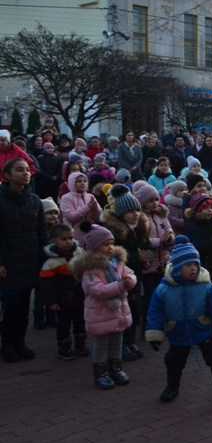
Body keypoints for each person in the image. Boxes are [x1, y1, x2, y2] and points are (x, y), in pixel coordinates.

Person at [146, 236, 212, 404]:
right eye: (188, 265)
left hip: (203, 329)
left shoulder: (205, 285)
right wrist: (155, 333)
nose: (193, 269)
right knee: (174, 362)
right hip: (177, 331)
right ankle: (172, 386)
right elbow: (155, 312)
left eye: (195, 264)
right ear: (179, 267)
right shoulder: (164, 289)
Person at [69, 222, 135, 389]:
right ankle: (101, 373)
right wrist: (121, 286)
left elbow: (130, 274)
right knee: (102, 344)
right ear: (93, 247)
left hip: (117, 311)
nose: (110, 248)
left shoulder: (117, 263)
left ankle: (116, 369)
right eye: (105, 245)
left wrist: (130, 281)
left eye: (111, 244)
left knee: (116, 342)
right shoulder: (91, 269)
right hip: (101, 313)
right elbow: (96, 290)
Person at [0, 157, 49, 362]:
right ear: (8, 175)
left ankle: (20, 342)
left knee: (23, 308)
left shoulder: (35, 200)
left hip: (30, 261)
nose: (26, 173)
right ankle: (7, 345)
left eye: (27, 170)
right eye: (19, 170)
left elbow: (42, 232)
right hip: (8, 264)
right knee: (11, 307)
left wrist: (47, 257)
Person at [103, 184, 151, 361]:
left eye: (137, 210)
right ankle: (121, 345)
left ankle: (131, 342)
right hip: (119, 277)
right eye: (131, 211)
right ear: (122, 213)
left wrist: (147, 258)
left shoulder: (139, 228)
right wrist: (136, 257)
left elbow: (146, 246)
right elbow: (113, 255)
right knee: (122, 310)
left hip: (135, 275)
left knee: (133, 309)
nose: (136, 214)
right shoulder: (115, 232)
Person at [39, 224, 88, 360]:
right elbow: (46, 285)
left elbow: (87, 266)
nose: (68, 242)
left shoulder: (78, 252)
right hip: (62, 300)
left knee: (80, 321)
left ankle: (80, 344)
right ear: (54, 241)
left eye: (71, 238)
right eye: (64, 239)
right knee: (64, 324)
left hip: (79, 296)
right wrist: (51, 301)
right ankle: (64, 348)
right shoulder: (51, 262)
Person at [134, 182, 174, 337]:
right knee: (150, 296)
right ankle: (148, 324)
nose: (155, 203)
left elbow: (169, 230)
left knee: (165, 294)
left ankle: (164, 322)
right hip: (150, 265)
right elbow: (142, 240)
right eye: (151, 201)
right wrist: (159, 241)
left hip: (164, 262)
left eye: (156, 199)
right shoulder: (141, 219)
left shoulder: (161, 215)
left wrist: (170, 238)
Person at [60, 172, 103, 248]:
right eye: (79, 181)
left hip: (89, 233)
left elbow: (98, 217)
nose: (83, 183)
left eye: (85, 181)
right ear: (72, 183)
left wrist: (95, 208)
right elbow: (71, 217)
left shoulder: (90, 196)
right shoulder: (66, 198)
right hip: (74, 234)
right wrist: (88, 208)